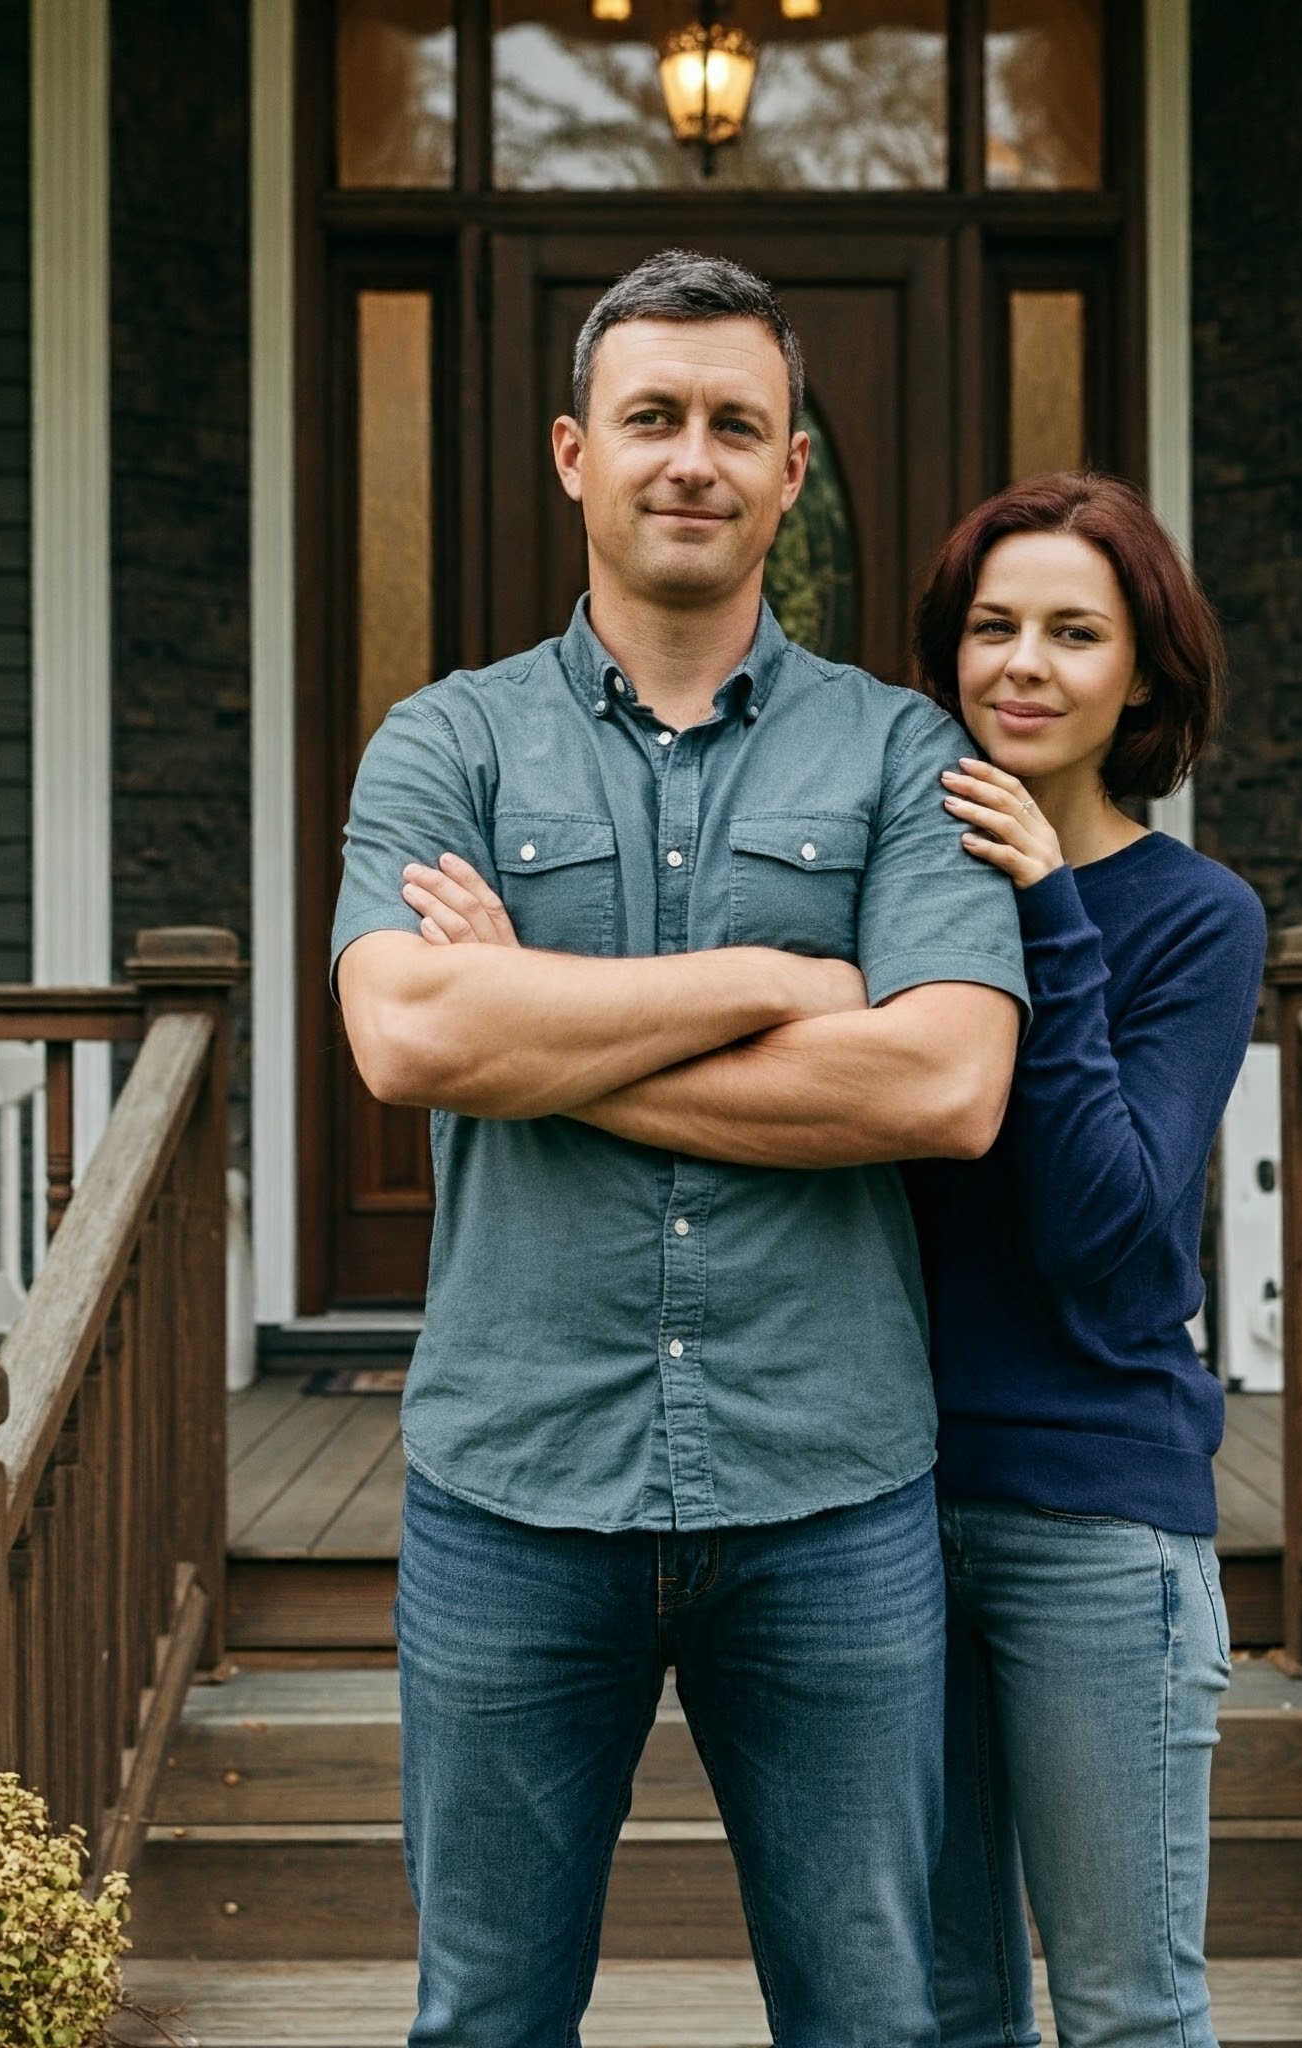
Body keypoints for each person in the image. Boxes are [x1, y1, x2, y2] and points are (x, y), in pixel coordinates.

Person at [331, 248, 1028, 2048]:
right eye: (653, 418)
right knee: (484, 2019)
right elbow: (407, 1034)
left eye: (738, 424)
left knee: (870, 2018)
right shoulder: (447, 744)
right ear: (576, 452)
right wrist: (773, 978)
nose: (692, 459)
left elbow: (941, 1088)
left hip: (830, 1488)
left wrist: (538, 1034)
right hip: (512, 1487)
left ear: (795, 470)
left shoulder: (903, 757)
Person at [903, 472, 1267, 2048]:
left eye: (1072, 630)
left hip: (1099, 1526)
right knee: (941, 2009)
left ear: (1142, 676)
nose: (1024, 666)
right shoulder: (895, 886)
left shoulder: (1194, 918)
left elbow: (1114, 1246)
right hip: (878, 1516)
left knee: (1125, 2011)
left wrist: (1052, 910)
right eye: (992, 629)